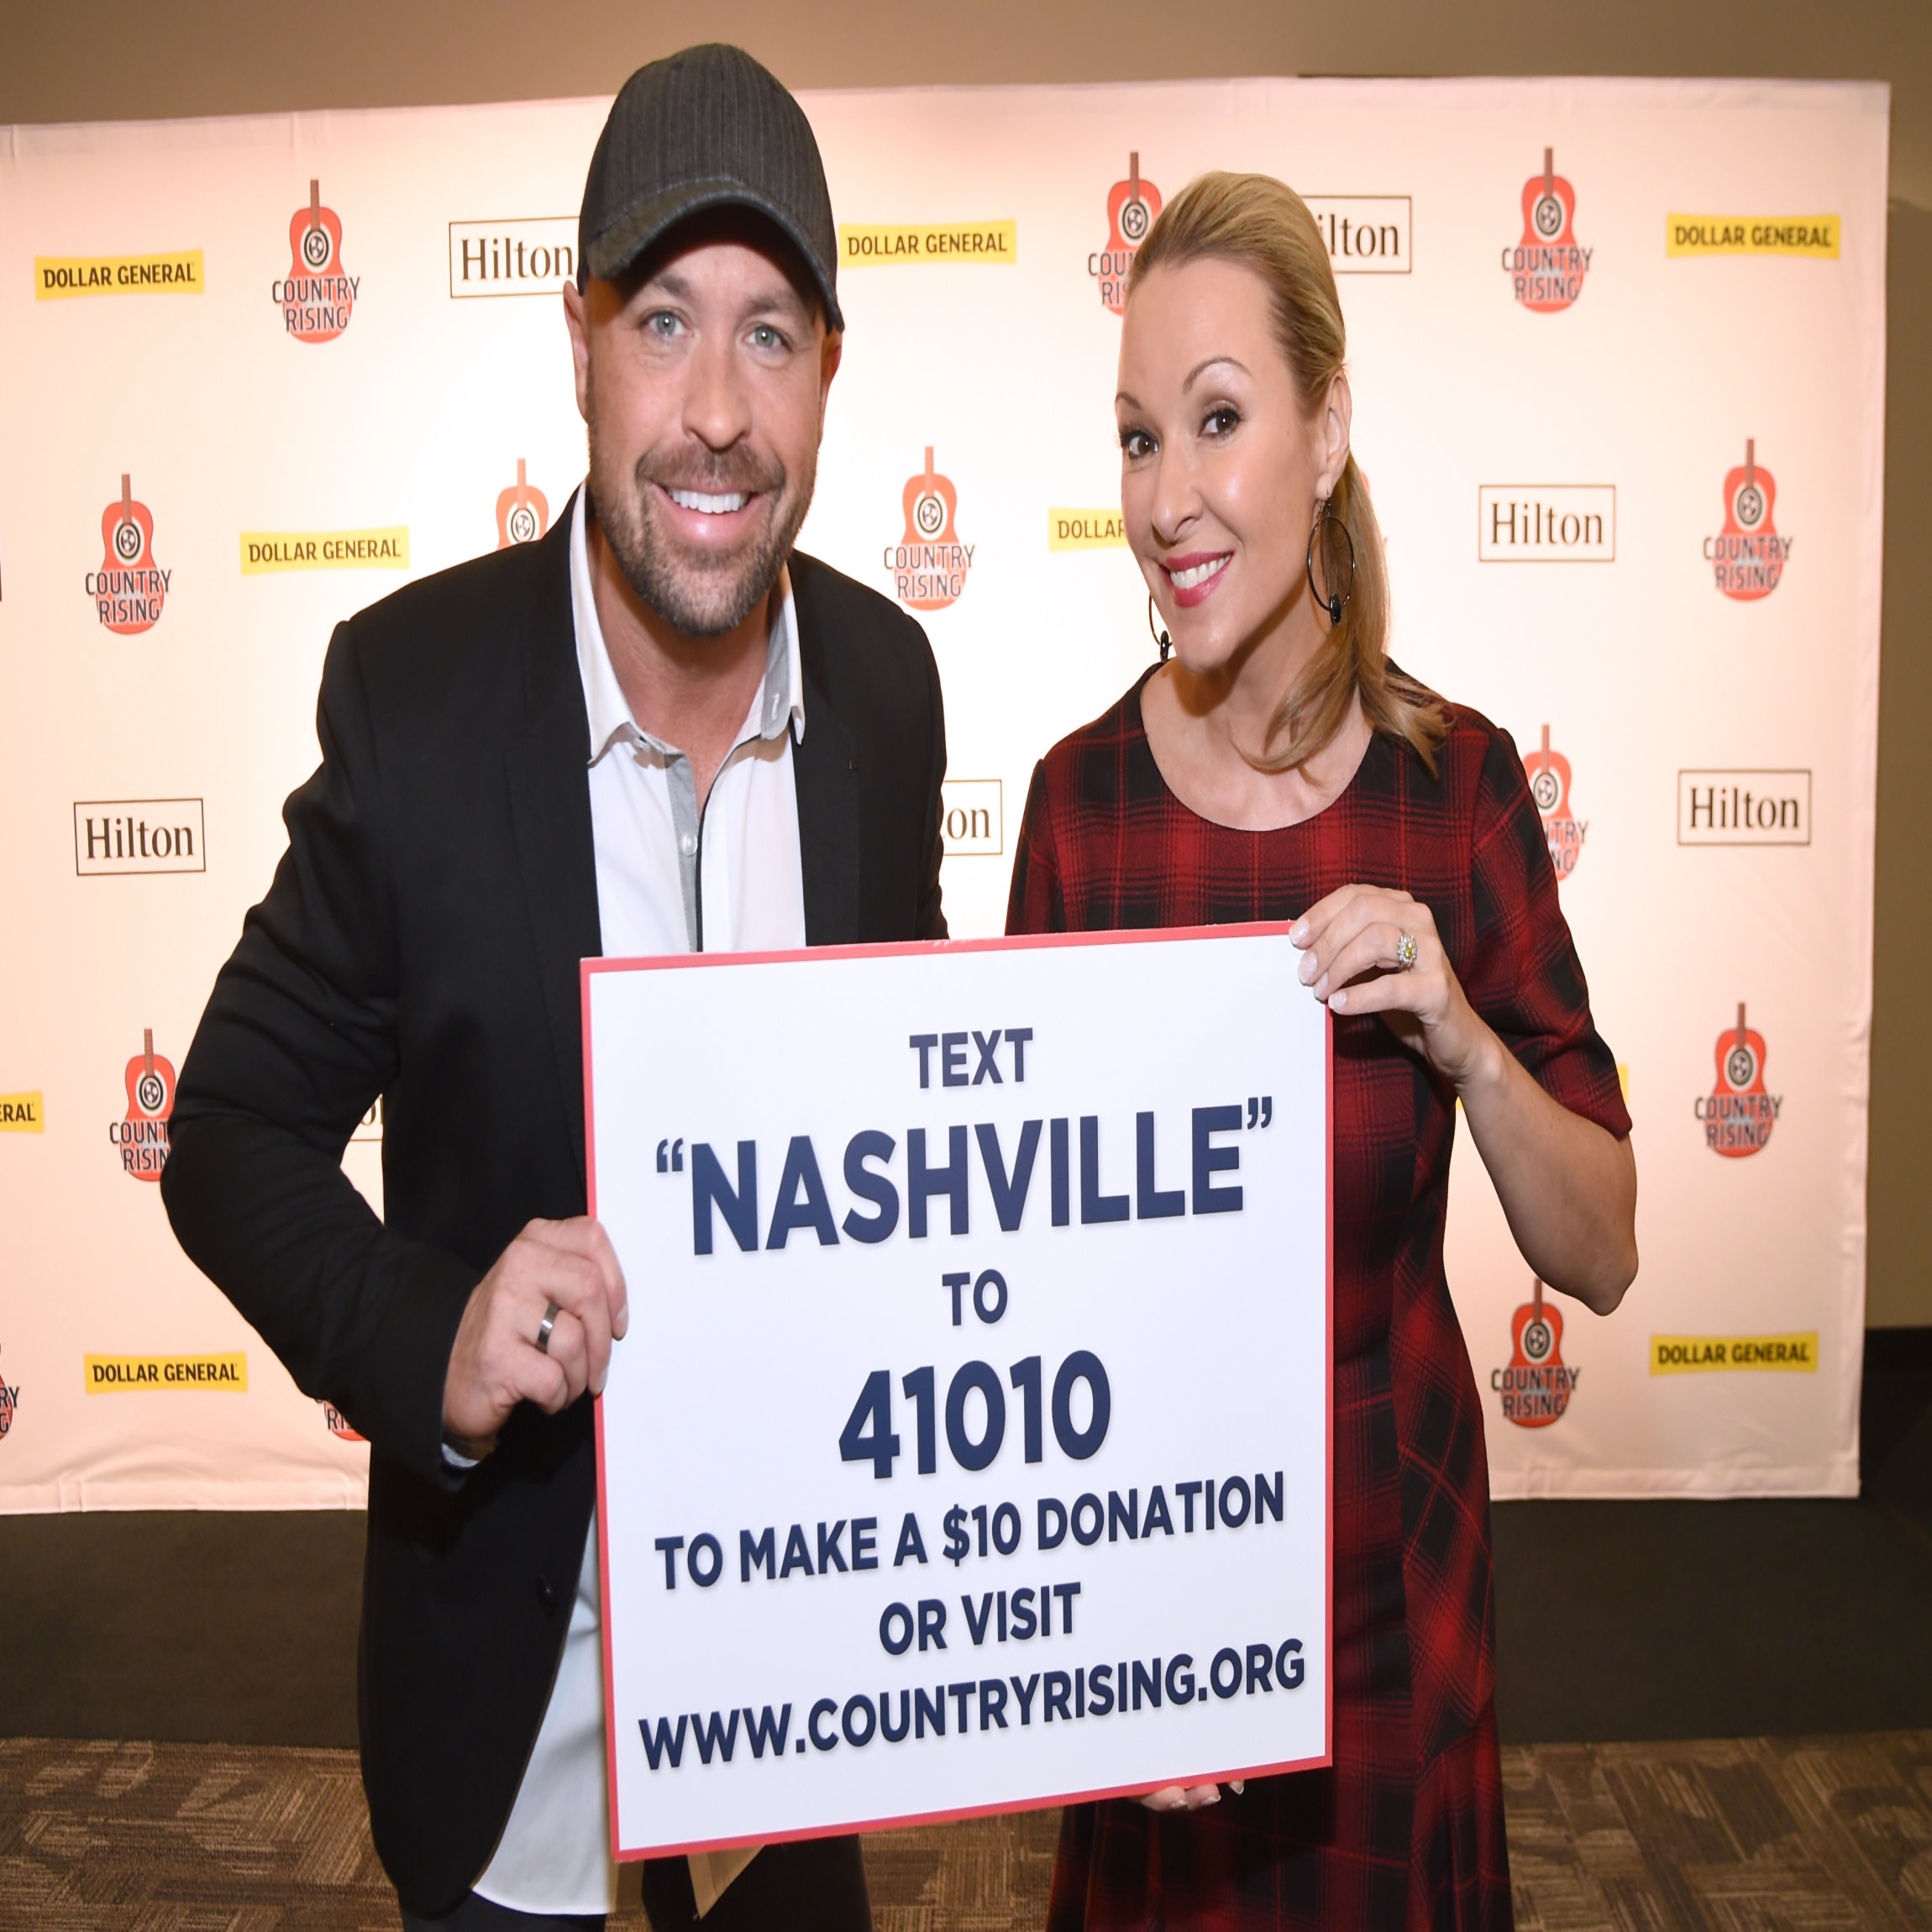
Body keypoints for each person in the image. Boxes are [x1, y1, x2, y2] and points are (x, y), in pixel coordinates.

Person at [160, 45, 948, 1932]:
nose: (712, 414)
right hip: (519, 1743)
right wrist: (428, 1336)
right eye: (664, 320)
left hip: (799, 1737)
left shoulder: (887, 693)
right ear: (580, 338)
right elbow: (228, 1133)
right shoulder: (416, 703)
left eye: (769, 336)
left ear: (829, 373)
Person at [1006, 171, 1637, 1930]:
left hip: (1391, 1559)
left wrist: (1463, 1039)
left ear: (1328, 427)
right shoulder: (1078, 811)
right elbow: (1037, 1287)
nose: (1169, 496)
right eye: (1137, 437)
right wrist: (1094, 1617)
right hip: (1161, 1601)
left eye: (1218, 420)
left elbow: (1598, 1249)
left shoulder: (1462, 787)